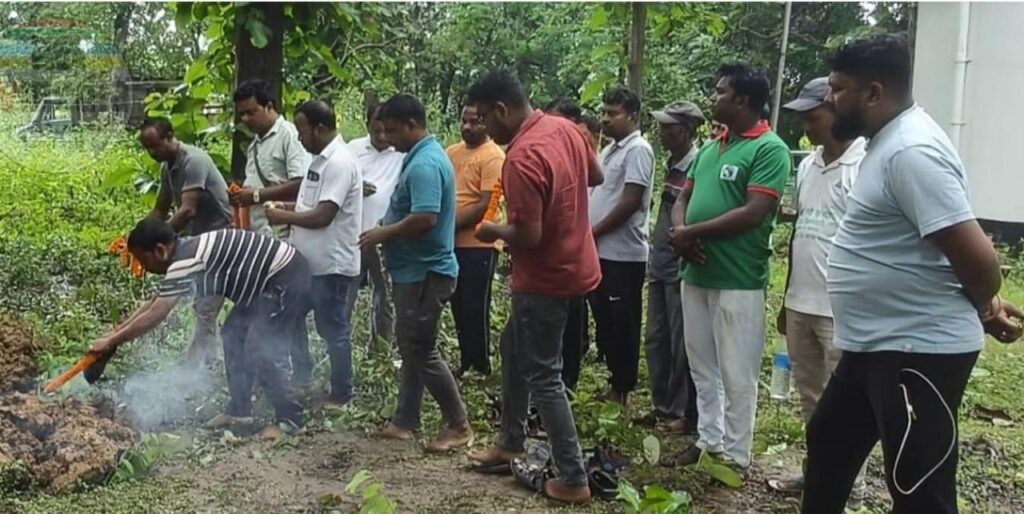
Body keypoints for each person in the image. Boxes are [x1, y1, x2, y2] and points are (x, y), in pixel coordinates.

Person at [802, 34, 1024, 514]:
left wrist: (986, 303)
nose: (827, 98)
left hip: (916, 351)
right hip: (875, 344)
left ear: (874, 93)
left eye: (837, 88)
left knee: (919, 487)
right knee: (828, 447)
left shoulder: (911, 152)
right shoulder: (887, 144)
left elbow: (978, 257)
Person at [466, 68, 602, 504]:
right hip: (577, 265)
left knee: (544, 373)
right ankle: (510, 440)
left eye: (485, 118)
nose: (484, 128)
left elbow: (528, 236)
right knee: (513, 346)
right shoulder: (566, 128)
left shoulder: (522, 157)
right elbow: (594, 176)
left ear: (502, 110)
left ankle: (573, 476)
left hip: (545, 276)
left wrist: (492, 232)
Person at [666, 63, 790, 471]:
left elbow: (753, 212)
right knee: (701, 362)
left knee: (737, 369)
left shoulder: (769, 148)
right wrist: (681, 231)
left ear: (742, 100)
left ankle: (736, 455)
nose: (713, 96)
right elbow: (684, 196)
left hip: (738, 277)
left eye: (720, 91)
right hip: (696, 273)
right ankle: (709, 441)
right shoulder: (710, 147)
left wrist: (690, 233)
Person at [87, 218, 310, 438]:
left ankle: (290, 420)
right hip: (262, 286)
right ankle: (240, 412)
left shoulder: (185, 260)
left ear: (160, 250)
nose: (144, 268)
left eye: (144, 261)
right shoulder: (185, 252)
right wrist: (112, 336)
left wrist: (112, 342)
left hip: (284, 277)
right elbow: (155, 302)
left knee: (260, 345)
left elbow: (157, 313)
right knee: (233, 335)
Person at [767, 77, 867, 500]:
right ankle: (818, 474)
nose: (807, 126)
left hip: (841, 309)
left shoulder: (865, 164)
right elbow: (800, 237)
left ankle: (851, 484)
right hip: (802, 301)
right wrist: (788, 299)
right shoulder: (807, 166)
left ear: (838, 112)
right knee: (812, 399)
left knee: (844, 402)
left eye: (814, 116)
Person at [358, 93, 472, 452]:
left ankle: (459, 424)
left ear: (412, 125)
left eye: (392, 131)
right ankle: (405, 420)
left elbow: (426, 217)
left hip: (425, 273)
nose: (387, 138)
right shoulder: (421, 156)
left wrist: (383, 233)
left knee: (421, 349)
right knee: (412, 346)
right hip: (414, 271)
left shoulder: (424, 164)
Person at [265, 100, 363, 409]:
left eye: (301, 130)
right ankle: (303, 377)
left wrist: (284, 218)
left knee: (332, 329)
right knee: (291, 317)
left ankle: (341, 392)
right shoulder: (317, 161)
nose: (298, 137)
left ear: (319, 128)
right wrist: (287, 207)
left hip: (331, 265)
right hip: (307, 264)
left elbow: (324, 215)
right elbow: (310, 206)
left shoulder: (339, 163)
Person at [228, 79, 315, 388]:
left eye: (251, 112)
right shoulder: (255, 144)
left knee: (287, 308)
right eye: (241, 115)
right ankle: (281, 374)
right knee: (274, 308)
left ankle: (299, 375)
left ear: (269, 106)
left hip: (285, 239)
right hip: (262, 241)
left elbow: (301, 182)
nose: (246, 120)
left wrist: (255, 197)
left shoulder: (289, 136)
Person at [140, 117, 232, 366]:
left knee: (205, 306)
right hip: (202, 241)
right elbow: (160, 209)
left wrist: (153, 242)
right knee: (204, 304)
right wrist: (139, 237)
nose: (152, 152)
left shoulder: (194, 161)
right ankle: (208, 362)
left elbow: (187, 211)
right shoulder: (167, 167)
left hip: (222, 240)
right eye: (147, 147)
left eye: (155, 145)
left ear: (170, 136)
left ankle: (198, 367)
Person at [588, 87, 655, 409]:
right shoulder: (610, 149)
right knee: (605, 320)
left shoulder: (638, 150)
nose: (605, 119)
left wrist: (594, 231)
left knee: (622, 322)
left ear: (633, 116)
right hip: (601, 251)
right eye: (603, 112)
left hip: (623, 254)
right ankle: (615, 381)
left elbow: (630, 201)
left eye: (612, 113)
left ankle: (623, 388)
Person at [642, 101, 704, 434]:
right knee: (656, 337)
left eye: (669, 127)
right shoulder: (672, 163)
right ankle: (662, 403)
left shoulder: (697, 165)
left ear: (685, 130)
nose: (663, 132)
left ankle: (679, 408)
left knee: (681, 341)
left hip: (679, 267)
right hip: (660, 263)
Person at [446, 103, 505, 377]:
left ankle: (480, 363)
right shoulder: (451, 153)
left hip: (479, 242)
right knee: (457, 302)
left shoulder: (493, 156)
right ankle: (467, 360)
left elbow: (484, 204)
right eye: (464, 121)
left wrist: (449, 224)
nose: (468, 127)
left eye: (476, 122)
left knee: (475, 303)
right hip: (452, 242)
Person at [347, 103, 403, 348]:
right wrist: (356, 186)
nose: (382, 137)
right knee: (346, 292)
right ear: (366, 124)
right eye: (376, 131)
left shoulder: (402, 152)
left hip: (385, 236)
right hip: (352, 234)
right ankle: (341, 344)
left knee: (384, 296)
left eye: (386, 131)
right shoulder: (352, 150)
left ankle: (380, 348)